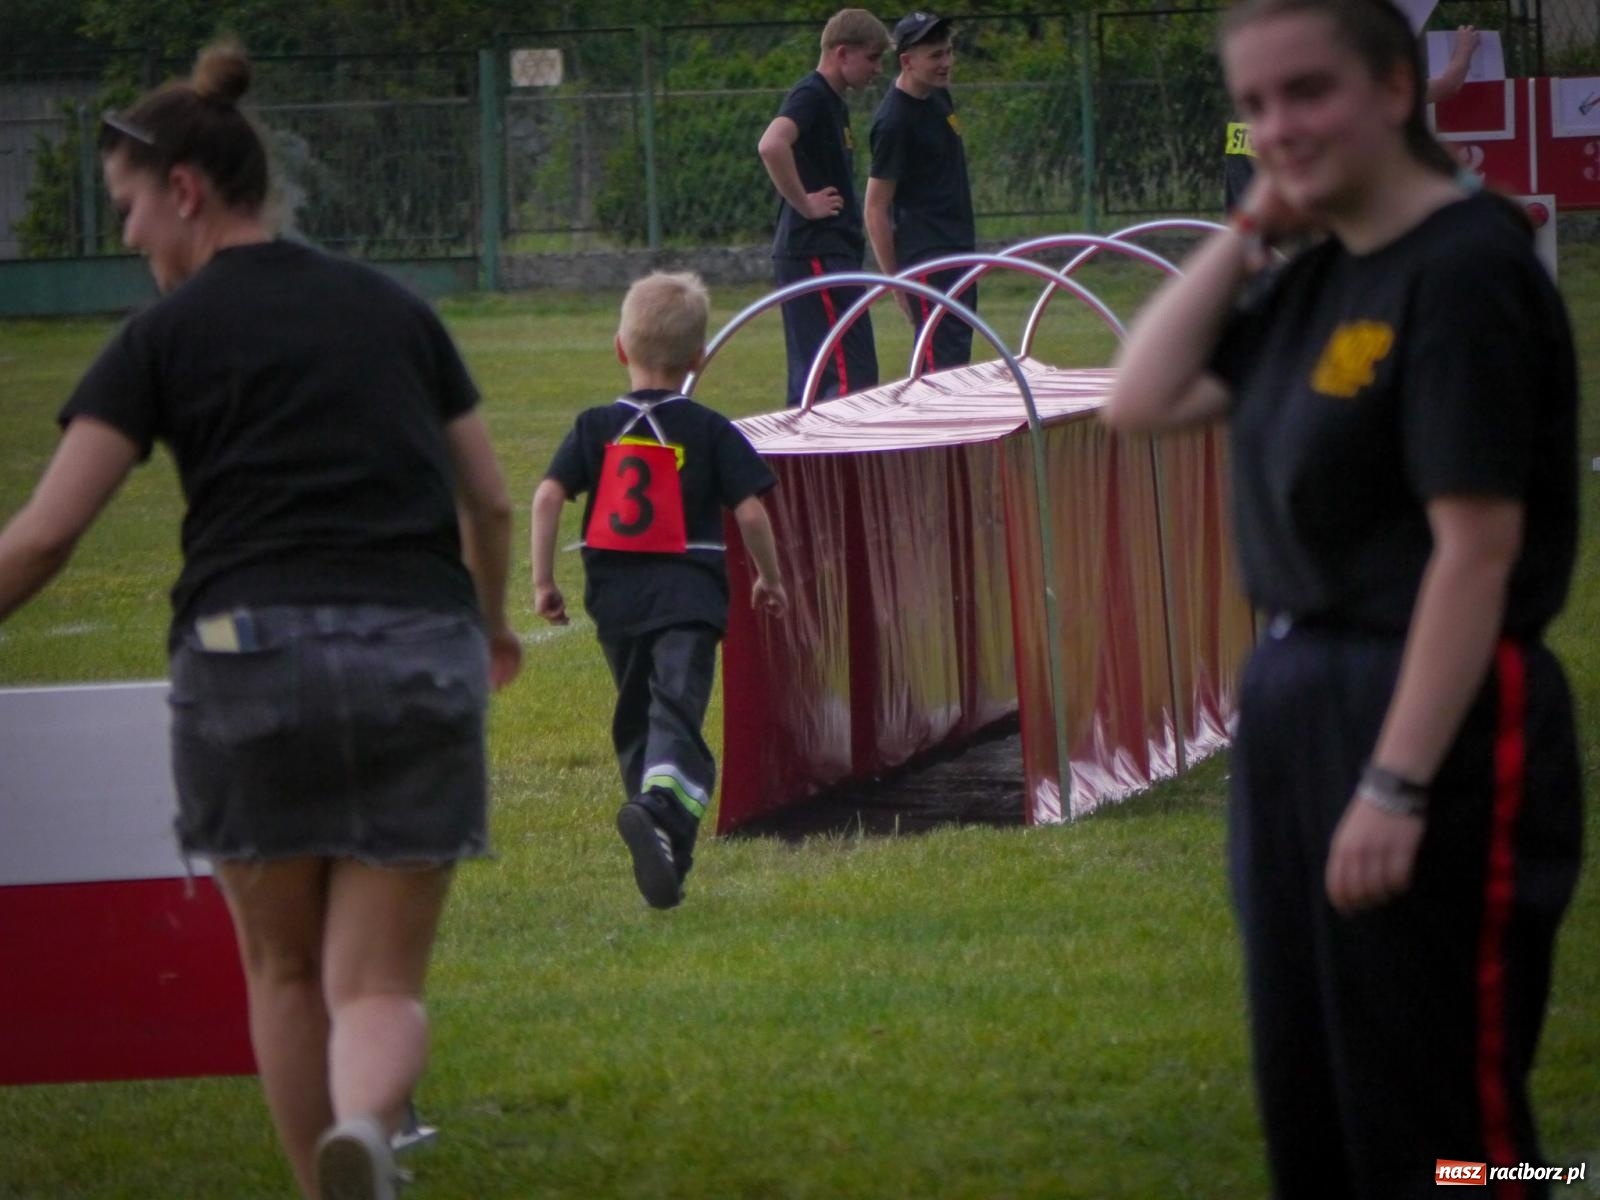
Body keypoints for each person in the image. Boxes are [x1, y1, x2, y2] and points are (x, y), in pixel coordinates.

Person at [0, 43, 521, 1200]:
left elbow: (43, 535)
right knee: (378, 987)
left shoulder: (159, 340)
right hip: (415, 655)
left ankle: (321, 1183)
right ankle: (370, 1134)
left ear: (184, 189)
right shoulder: (391, 305)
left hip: (244, 661)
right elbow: (484, 494)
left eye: (129, 208)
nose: (129, 237)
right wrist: (487, 625)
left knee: (284, 973)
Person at [1103, 0, 1582, 1195]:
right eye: (1255, 104)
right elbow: (1139, 398)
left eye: (1306, 92)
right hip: (1296, 695)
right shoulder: (1318, 276)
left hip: (1432, 708)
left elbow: (1472, 553)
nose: (1278, 125)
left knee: (1443, 1127)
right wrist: (1250, 225)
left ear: (1394, 89)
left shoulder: (1466, 268)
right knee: (1313, 1089)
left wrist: (1395, 782)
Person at [530, 272, 788, 910]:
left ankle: (662, 845)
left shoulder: (594, 426)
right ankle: (657, 809)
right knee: (678, 713)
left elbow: (547, 495)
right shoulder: (708, 428)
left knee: (638, 714)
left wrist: (543, 579)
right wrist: (769, 576)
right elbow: (751, 511)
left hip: (616, 600)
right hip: (689, 598)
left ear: (620, 347)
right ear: (699, 358)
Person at [759, 8, 890, 407]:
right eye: (871, 58)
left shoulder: (834, 103)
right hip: (815, 250)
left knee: (829, 373)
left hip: (832, 251)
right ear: (841, 53)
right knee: (845, 377)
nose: (878, 69)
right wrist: (804, 203)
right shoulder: (811, 96)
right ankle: (839, 465)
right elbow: (771, 144)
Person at [1224, 22, 1481, 211]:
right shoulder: (1360, 87)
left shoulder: (1273, 87)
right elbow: (1449, 84)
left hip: (1244, 153)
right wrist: (1464, 48)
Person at [865, 11, 978, 371]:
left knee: (958, 360)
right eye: (935, 56)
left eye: (948, 52)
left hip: (959, 248)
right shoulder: (894, 121)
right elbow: (875, 207)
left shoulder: (939, 97)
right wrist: (897, 285)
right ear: (906, 62)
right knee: (938, 370)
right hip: (927, 258)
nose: (946, 63)